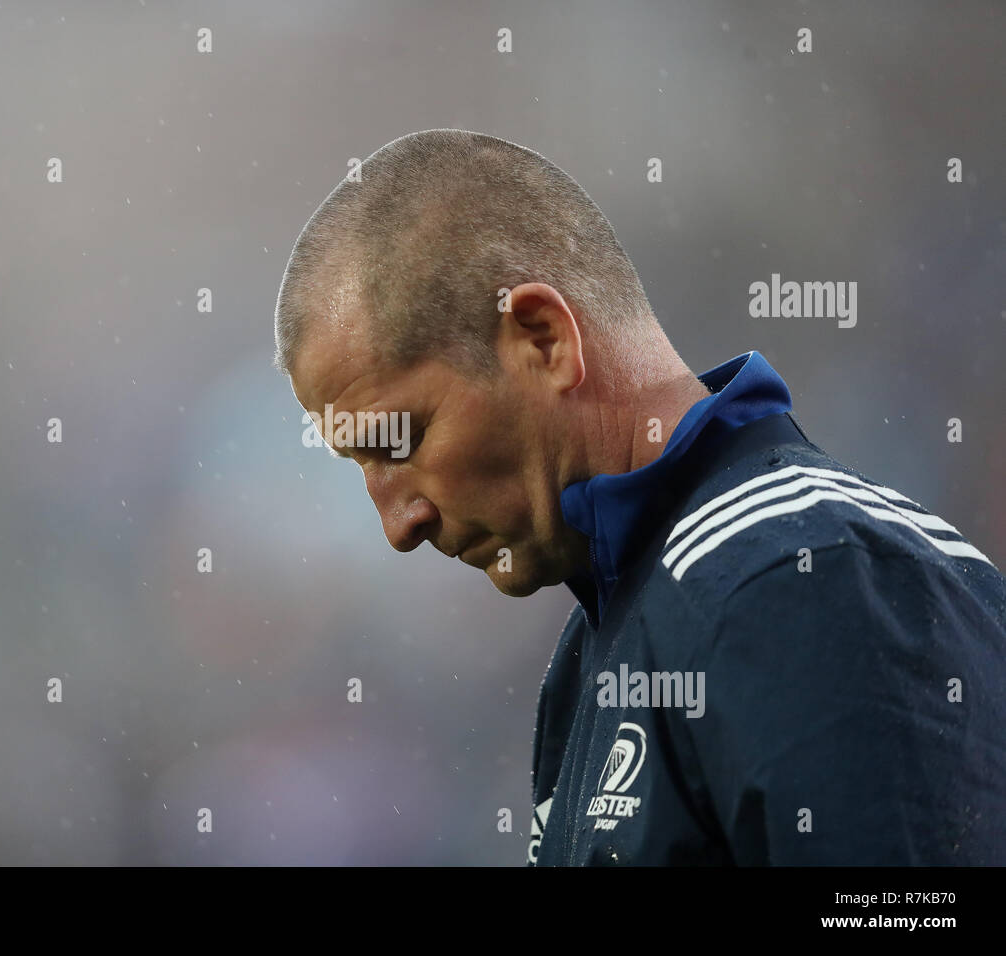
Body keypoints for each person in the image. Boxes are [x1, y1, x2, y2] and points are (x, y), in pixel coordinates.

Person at [273, 128, 1006, 865]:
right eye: (358, 464)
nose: (398, 524)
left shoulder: (803, 577)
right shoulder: (610, 634)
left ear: (543, 339)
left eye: (401, 441)